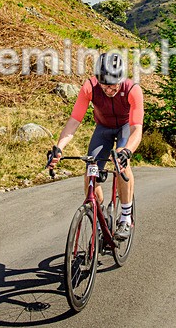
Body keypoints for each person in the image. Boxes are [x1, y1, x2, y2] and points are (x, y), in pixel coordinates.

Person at [48, 53, 143, 240]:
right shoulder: (89, 88)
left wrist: (127, 151)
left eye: (114, 84)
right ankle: (99, 219)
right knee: (90, 171)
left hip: (125, 127)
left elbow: (136, 129)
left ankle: (125, 217)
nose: (109, 89)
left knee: (121, 165)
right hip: (103, 128)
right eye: (105, 84)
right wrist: (59, 148)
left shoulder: (132, 89)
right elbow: (74, 121)